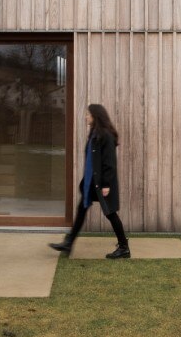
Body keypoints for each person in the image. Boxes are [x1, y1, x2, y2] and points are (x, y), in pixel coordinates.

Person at [49, 104, 130, 259]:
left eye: (88, 114)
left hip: (102, 184)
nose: (86, 117)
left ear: (95, 116)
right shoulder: (94, 133)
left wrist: (106, 184)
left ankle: (124, 247)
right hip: (92, 183)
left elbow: (109, 163)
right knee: (81, 210)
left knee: (111, 214)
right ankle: (68, 242)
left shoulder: (105, 135)